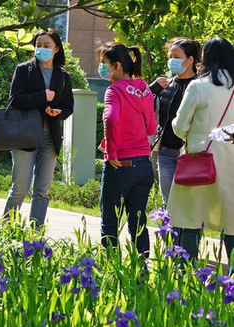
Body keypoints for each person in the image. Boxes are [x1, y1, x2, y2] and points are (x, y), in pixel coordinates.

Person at [168, 37, 234, 262]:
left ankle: (183, 277)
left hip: (200, 163)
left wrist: (194, 136)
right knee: (232, 223)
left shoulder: (198, 86)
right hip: (231, 165)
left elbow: (179, 127)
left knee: (191, 220)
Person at [2, 28, 74, 226]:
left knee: (42, 191)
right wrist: (43, 97)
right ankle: (5, 231)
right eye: (38, 45)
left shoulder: (63, 77)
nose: (41, 49)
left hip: (50, 138)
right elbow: (14, 100)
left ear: (57, 48)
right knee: (20, 188)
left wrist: (58, 113)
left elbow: (68, 106)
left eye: (46, 45)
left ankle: (36, 235)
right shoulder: (24, 69)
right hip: (25, 136)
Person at [98, 42, 156, 256]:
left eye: (104, 64)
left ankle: (111, 270)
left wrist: (111, 152)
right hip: (144, 166)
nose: (102, 68)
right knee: (138, 221)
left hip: (120, 164)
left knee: (110, 223)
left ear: (117, 65)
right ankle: (141, 271)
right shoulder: (143, 87)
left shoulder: (114, 90)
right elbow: (151, 126)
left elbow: (111, 118)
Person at [149, 38, 200, 205]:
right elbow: (141, 109)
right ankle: (170, 232)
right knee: (168, 202)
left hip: (192, 153)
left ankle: (189, 232)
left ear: (190, 59)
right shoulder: (165, 86)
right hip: (166, 151)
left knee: (190, 203)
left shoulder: (200, 86)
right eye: (170, 56)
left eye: (176, 56)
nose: (171, 61)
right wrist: (151, 91)